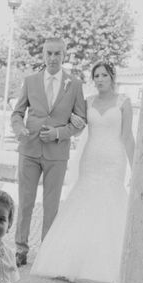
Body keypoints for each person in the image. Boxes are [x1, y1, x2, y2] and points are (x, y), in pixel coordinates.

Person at [30, 61, 135, 283]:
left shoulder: (124, 102)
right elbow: (75, 126)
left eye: (104, 75)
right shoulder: (87, 102)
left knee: (110, 202)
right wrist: (59, 127)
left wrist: (135, 166)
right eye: (96, 76)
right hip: (91, 157)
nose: (99, 80)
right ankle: (69, 262)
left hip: (114, 159)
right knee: (84, 201)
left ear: (112, 77)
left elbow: (127, 136)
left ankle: (105, 267)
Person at [10, 37, 87, 267]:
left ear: (65, 56)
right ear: (43, 55)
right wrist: (19, 128)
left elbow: (81, 120)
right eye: (49, 53)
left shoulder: (74, 84)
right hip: (29, 149)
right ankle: (20, 249)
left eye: (57, 54)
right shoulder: (30, 81)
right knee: (25, 202)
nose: (53, 58)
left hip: (57, 153)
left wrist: (58, 133)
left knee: (51, 205)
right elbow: (17, 113)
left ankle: (47, 252)